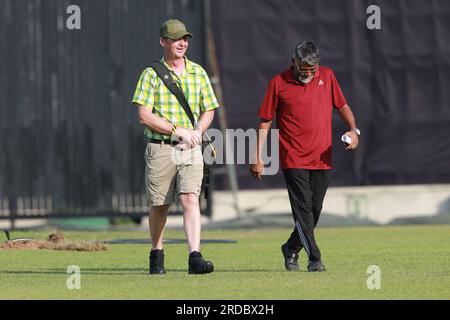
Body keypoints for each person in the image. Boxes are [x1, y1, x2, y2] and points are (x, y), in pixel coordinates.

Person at [250, 41, 360, 272]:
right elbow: (265, 120)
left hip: (322, 157)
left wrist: (353, 130)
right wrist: (257, 156)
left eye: (313, 69)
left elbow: (342, 106)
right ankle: (314, 258)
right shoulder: (278, 83)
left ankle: (291, 247)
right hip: (293, 158)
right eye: (304, 69)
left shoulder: (327, 76)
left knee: (314, 209)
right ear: (294, 62)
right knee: (303, 210)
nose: (309, 73)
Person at [132, 19, 219, 275]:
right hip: (161, 147)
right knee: (160, 204)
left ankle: (195, 257)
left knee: (190, 199)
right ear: (163, 42)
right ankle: (156, 253)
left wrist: (197, 132)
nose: (182, 43)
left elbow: (210, 109)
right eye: (176, 39)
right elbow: (144, 115)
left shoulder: (198, 72)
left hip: (191, 148)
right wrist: (175, 130)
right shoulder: (151, 74)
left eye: (185, 39)